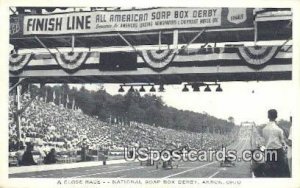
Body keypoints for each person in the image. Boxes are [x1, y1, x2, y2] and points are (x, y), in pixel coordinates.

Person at [262, 109, 286, 177]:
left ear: (268, 116)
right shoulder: (279, 129)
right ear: (276, 116)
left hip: (268, 151)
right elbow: (282, 141)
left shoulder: (264, 129)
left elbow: (265, 140)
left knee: (269, 171)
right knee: (280, 170)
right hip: (278, 151)